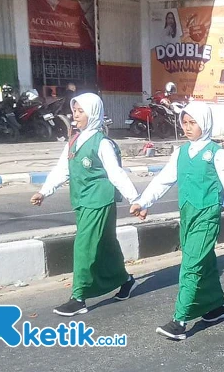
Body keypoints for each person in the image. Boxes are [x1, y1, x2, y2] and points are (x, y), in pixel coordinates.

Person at [130, 101, 224, 340]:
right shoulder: (180, 153)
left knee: (191, 265)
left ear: (205, 124)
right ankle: (216, 307)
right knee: (204, 262)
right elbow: (163, 181)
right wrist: (143, 201)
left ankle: (180, 319)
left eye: (193, 123)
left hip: (207, 216)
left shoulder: (217, 154)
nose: (187, 127)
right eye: (185, 123)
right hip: (187, 215)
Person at [30, 93, 139, 316]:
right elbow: (62, 169)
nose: (75, 116)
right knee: (106, 245)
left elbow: (116, 173)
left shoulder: (103, 143)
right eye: (75, 111)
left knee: (84, 247)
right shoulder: (74, 140)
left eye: (80, 112)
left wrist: (134, 199)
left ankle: (78, 297)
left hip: (99, 200)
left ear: (93, 113)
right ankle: (125, 280)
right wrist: (44, 191)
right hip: (82, 200)